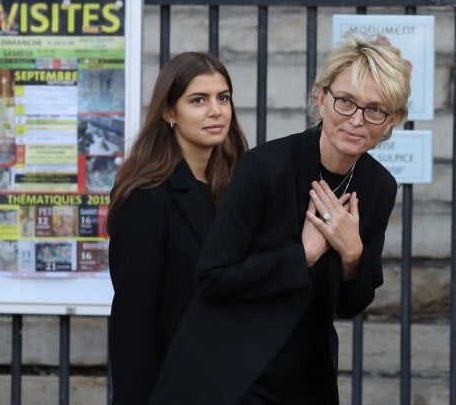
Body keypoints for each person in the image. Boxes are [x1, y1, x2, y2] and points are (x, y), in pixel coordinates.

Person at [150, 33, 412, 405]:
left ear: (392, 120)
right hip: (233, 374)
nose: (356, 120)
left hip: (308, 376)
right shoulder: (265, 167)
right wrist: (301, 254)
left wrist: (353, 255)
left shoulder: (378, 186)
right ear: (321, 99)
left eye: (375, 109)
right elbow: (212, 277)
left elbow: (350, 304)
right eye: (345, 102)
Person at [106, 51, 248, 405]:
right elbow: (133, 323)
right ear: (170, 112)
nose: (216, 110)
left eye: (223, 98)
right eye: (198, 100)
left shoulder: (240, 188)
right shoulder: (147, 198)